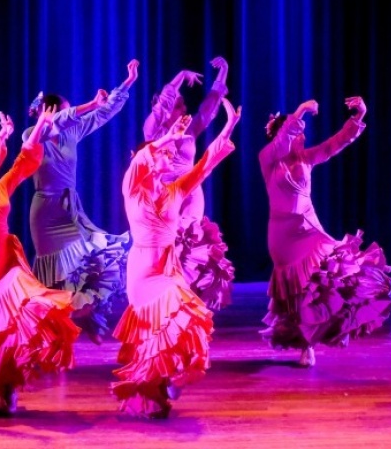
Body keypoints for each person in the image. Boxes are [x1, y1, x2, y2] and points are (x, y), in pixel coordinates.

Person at [111, 96, 241, 419]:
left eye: (171, 152)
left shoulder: (175, 190)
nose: (171, 155)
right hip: (143, 273)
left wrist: (228, 127)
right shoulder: (133, 189)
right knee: (157, 329)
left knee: (187, 318)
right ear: (149, 159)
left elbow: (205, 164)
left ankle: (169, 380)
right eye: (165, 153)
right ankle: (153, 391)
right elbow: (142, 159)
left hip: (167, 269)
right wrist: (167, 137)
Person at [0, 109, 80, 417]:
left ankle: (11, 385)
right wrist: (0, 136)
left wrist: (40, 125)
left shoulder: (0, 187)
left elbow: (24, 162)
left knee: (24, 312)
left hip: (6, 256)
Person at [259, 97, 391, 368]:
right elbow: (283, 140)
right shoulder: (269, 159)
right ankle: (305, 345)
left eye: (302, 134)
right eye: (297, 133)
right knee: (299, 291)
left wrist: (359, 117)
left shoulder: (306, 159)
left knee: (329, 276)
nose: (302, 137)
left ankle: (318, 335)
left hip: (309, 229)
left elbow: (334, 144)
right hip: (283, 236)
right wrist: (300, 111)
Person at [23, 59, 138, 344]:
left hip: (69, 209)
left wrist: (127, 82)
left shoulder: (71, 132)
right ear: (49, 112)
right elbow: (61, 121)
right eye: (66, 110)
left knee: (94, 257)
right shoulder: (32, 135)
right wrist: (89, 104)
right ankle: (51, 332)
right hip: (45, 211)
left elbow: (103, 113)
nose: (71, 114)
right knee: (53, 274)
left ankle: (88, 316)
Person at [142, 57, 235, 310]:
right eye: (178, 105)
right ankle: (164, 299)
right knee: (167, 244)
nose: (184, 109)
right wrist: (181, 75)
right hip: (164, 194)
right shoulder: (153, 131)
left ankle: (186, 300)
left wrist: (223, 72)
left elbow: (209, 107)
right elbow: (163, 103)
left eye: (183, 105)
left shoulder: (189, 130)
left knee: (190, 243)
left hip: (191, 192)